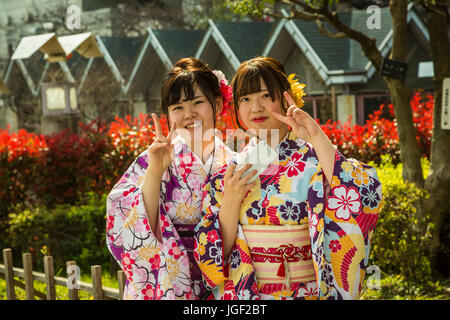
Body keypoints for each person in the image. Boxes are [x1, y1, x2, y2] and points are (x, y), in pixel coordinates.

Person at [194, 56, 382, 300]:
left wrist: (315, 134)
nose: (255, 107)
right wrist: (231, 199)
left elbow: (361, 191)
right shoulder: (229, 172)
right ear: (236, 108)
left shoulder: (315, 159)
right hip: (253, 294)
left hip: (308, 291)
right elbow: (215, 255)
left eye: (265, 96)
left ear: (285, 98)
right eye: (246, 99)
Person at [106, 57, 235, 300]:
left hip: (220, 280)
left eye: (198, 102)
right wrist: (155, 170)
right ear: (167, 113)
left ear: (217, 104)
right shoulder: (154, 157)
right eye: (177, 107)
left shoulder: (233, 161)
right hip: (166, 279)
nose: (189, 114)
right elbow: (129, 221)